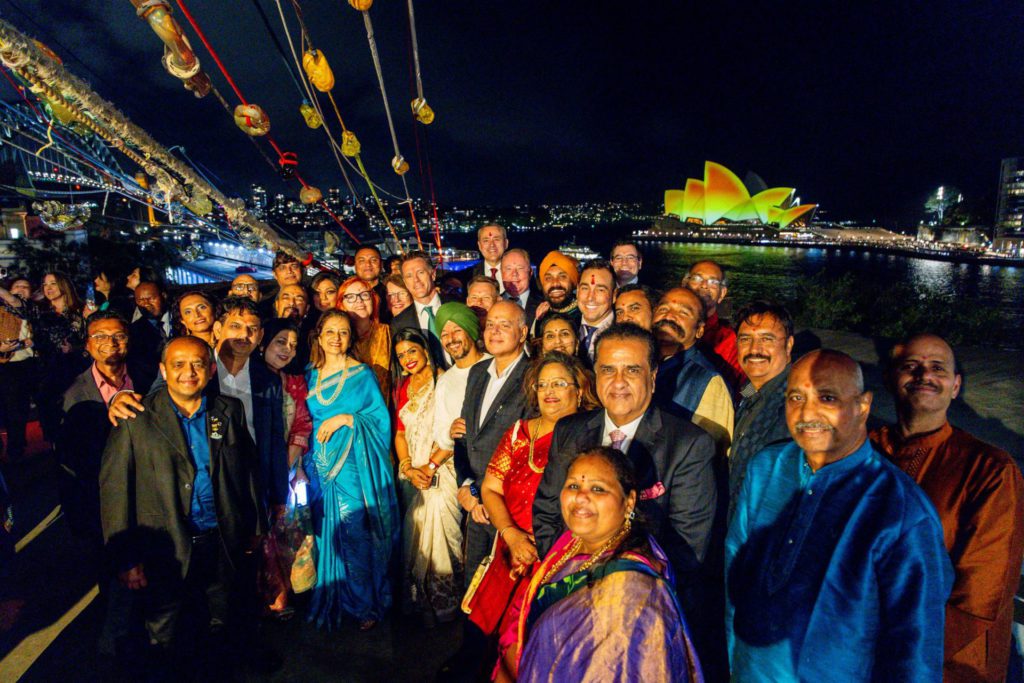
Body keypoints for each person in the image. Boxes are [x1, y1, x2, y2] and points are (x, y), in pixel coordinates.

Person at [726, 349, 953, 680]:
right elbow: (735, 573)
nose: (808, 412)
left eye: (827, 398)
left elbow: (914, 652)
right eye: (795, 397)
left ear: (862, 407)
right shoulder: (766, 468)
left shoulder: (901, 511)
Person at [532, 323, 719, 673]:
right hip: (567, 600)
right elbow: (545, 511)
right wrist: (568, 577)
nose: (618, 381)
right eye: (608, 369)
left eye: (632, 369)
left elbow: (689, 546)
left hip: (641, 619)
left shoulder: (688, 444)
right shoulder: (569, 431)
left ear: (652, 375)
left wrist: (622, 592)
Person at [99, 336, 264, 667]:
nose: (189, 372)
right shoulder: (136, 419)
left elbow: (247, 473)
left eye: (198, 364)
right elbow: (115, 492)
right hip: (163, 547)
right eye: (178, 364)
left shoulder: (228, 410)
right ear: (163, 369)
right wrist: (126, 559)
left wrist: (255, 527)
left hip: (219, 539)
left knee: (221, 618)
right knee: (164, 629)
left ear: (210, 369)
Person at [871, 333, 1024, 681]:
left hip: (948, 663)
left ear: (955, 387)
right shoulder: (865, 450)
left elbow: (979, 596)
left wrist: (894, 652)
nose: (924, 375)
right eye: (911, 366)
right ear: (889, 379)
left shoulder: (990, 469)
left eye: (937, 368)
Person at [516, 447, 703, 682]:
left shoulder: (636, 594)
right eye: (573, 486)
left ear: (629, 501)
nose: (581, 497)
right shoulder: (569, 543)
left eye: (598, 489)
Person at [467, 352, 597, 680]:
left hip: (556, 557)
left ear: (579, 390)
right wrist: (510, 533)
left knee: (530, 643)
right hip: (508, 550)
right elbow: (491, 489)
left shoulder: (590, 436)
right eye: (542, 385)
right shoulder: (518, 432)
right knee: (488, 638)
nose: (549, 391)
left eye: (559, 383)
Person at [305, 310, 398, 630]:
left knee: (356, 533)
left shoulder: (361, 374)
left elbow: (381, 422)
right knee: (325, 535)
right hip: (318, 468)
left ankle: (365, 604)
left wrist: (347, 419)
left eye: (343, 332)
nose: (336, 338)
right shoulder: (309, 374)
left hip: (353, 467)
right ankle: (335, 596)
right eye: (330, 331)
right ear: (318, 336)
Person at [455, 300, 531, 583]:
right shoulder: (478, 372)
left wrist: (483, 493)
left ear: (522, 333)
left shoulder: (533, 377)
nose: (494, 331)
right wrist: (466, 486)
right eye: (490, 325)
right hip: (476, 506)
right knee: (473, 588)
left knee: (506, 593)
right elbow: (462, 436)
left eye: (505, 325)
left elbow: (528, 450)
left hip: (510, 509)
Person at [392, 329, 462, 627]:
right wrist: (408, 467)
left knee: (443, 539)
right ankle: (422, 606)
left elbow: (454, 431)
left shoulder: (445, 380)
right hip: (414, 475)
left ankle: (446, 607)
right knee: (417, 539)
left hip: (443, 471)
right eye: (401, 355)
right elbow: (399, 433)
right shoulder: (404, 387)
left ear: (425, 349)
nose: (407, 359)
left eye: (411, 351)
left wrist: (430, 468)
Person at [255, 319, 313, 618]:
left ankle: (286, 594)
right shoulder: (248, 379)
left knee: (289, 531)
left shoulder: (294, 382)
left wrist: (287, 468)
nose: (287, 349)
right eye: (280, 342)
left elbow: (302, 425)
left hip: (288, 468)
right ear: (262, 341)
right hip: (254, 470)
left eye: (292, 344)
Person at [59, 310, 134, 539]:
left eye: (118, 336)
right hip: (99, 497)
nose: (110, 343)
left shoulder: (149, 378)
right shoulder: (71, 392)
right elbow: (69, 459)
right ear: (87, 345)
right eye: (99, 336)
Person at [1, 271, 88, 442]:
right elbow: (13, 301)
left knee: (76, 415)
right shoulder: (39, 311)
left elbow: (91, 341)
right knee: (51, 419)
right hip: (47, 373)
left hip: (75, 371)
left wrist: (74, 348)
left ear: (63, 284)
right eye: (45, 284)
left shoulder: (80, 311)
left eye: (53, 283)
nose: (48, 288)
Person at [729, 301, 794, 522]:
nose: (755, 349)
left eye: (767, 339)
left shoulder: (796, 405)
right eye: (746, 339)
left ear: (789, 345)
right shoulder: (746, 392)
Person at [651, 287, 734, 455]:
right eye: (663, 309)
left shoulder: (707, 381)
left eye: (683, 313)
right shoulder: (641, 363)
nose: (669, 316)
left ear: (700, 330)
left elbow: (711, 453)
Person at [683, 260, 745, 391]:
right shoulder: (666, 328)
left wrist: (741, 405)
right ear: (684, 284)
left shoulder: (730, 340)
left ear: (722, 293)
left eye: (713, 282)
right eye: (697, 278)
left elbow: (748, 385)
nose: (704, 285)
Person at [390, 251, 452, 370]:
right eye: (409, 276)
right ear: (404, 282)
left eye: (420, 272)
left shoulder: (456, 306)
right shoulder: (400, 323)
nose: (416, 280)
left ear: (433, 274)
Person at [0, 276, 36, 462]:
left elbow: (38, 336)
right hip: (4, 364)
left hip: (25, 365)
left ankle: (16, 450)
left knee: (17, 410)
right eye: (17, 286)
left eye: (25, 286)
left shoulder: (34, 310)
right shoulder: (2, 310)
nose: (21, 289)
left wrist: (22, 345)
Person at [337, 276, 391, 397]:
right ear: (342, 305)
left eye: (364, 295)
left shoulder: (387, 332)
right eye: (350, 297)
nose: (359, 301)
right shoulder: (336, 337)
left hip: (383, 407)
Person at [126, 280, 171, 395]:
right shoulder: (133, 332)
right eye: (141, 300)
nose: (146, 304)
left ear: (163, 296)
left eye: (151, 298)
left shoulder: (181, 320)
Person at [576, 259, 616, 361]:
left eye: (600, 290)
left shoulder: (624, 334)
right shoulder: (568, 326)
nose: (590, 298)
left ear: (614, 295)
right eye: (585, 288)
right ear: (577, 291)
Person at [532, 251, 580, 331]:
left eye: (562, 277)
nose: (555, 283)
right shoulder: (539, 315)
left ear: (573, 281)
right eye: (548, 278)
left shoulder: (584, 316)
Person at [500, 249, 543, 329]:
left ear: (530, 273)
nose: (514, 274)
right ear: (502, 273)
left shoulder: (543, 304)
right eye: (509, 269)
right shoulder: (493, 303)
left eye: (520, 268)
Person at [472, 224, 509, 294]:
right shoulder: (468, 276)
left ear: (506, 243)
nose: (492, 245)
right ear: (479, 246)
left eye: (496, 239)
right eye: (486, 240)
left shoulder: (519, 275)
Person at [354, 246, 388, 321]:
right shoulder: (345, 294)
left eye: (373, 260)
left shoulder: (390, 294)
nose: (368, 264)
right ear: (355, 266)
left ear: (381, 265)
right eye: (362, 261)